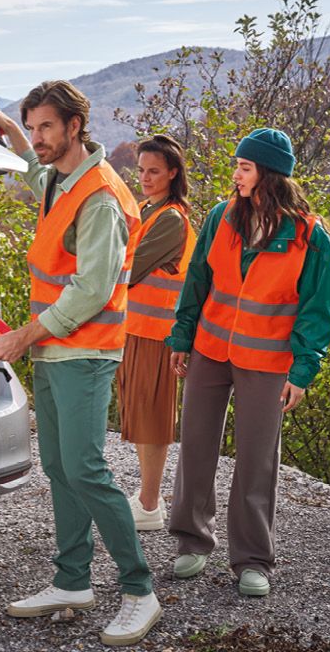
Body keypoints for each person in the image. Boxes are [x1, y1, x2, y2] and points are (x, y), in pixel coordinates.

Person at [0, 84, 160, 648]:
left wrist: (22, 336)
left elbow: (92, 290)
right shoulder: (63, 178)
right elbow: (40, 178)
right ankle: (72, 581)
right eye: (32, 127)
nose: (38, 138)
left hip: (86, 351)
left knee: (85, 469)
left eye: (46, 128)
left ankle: (140, 590)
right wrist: (13, 138)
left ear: (75, 126)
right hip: (54, 350)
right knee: (59, 466)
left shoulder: (101, 198)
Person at [165, 128, 330, 597]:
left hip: (267, 360)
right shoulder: (221, 217)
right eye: (237, 166)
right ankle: (192, 541)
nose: (236, 175)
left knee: (257, 460)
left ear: (269, 174)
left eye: (244, 167)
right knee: (195, 445)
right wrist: (182, 336)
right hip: (209, 349)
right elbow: (197, 280)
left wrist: (302, 371)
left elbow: (320, 310)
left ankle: (252, 559)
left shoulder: (309, 237)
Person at [116, 135, 197, 531]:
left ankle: (150, 504)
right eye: (142, 170)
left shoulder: (171, 219)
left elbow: (128, 267)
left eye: (154, 171)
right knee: (139, 414)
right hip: (136, 329)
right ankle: (147, 498)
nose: (145, 178)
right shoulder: (149, 209)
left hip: (156, 334)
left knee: (151, 416)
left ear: (173, 173)